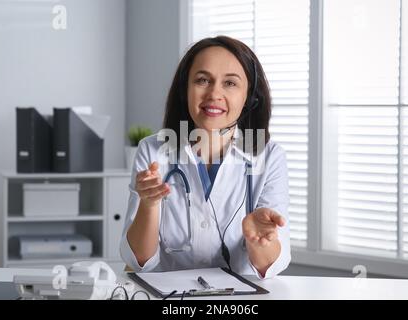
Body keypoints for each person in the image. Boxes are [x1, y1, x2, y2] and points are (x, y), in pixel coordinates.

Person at [120, 36, 290, 279]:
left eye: (230, 83)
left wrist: (260, 240)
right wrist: (148, 205)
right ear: (185, 90)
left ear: (250, 98)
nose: (214, 93)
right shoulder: (154, 150)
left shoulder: (269, 155)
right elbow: (139, 261)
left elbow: (269, 266)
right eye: (202, 80)